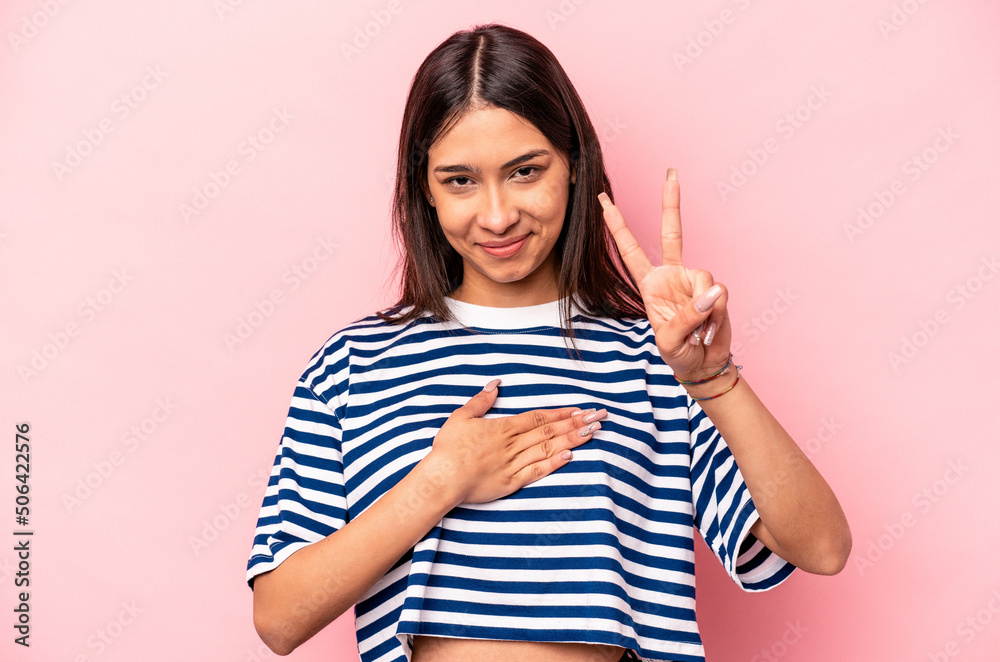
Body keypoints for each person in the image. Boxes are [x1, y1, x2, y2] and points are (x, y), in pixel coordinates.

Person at [247, 23, 851, 662]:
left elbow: (821, 547)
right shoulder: (352, 366)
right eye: (459, 180)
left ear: (573, 166)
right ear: (423, 190)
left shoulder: (653, 359)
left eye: (525, 171)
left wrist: (711, 377)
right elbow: (280, 619)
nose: (498, 214)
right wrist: (442, 479)